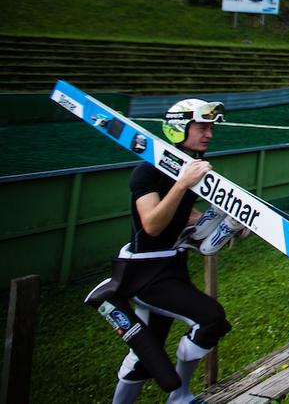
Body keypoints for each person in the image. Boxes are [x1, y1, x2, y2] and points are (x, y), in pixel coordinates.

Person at [85, 99, 243, 404]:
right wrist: (183, 185)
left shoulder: (189, 170)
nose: (209, 134)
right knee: (210, 319)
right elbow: (152, 225)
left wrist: (229, 221)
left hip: (172, 266)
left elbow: (183, 216)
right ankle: (180, 397)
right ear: (178, 128)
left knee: (145, 355)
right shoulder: (146, 172)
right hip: (145, 272)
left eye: (211, 127)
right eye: (201, 127)